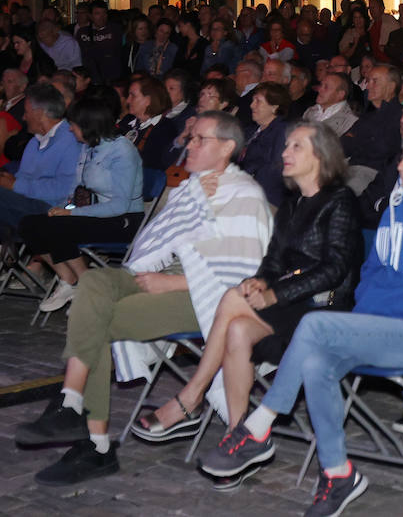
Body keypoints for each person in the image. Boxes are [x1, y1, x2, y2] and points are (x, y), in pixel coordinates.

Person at [197, 126, 403, 512]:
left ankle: (259, 424)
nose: (402, 164)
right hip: (376, 329)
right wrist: (362, 320)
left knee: (314, 325)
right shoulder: (396, 211)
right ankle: (339, 472)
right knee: (315, 359)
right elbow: (372, 275)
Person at [17, 111, 272, 485]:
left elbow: (244, 275)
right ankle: (71, 400)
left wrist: (173, 284)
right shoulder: (191, 187)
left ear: (228, 147)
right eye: (191, 137)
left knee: (94, 322)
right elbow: (156, 245)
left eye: (201, 139)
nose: (190, 144)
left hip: (204, 294)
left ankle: (96, 443)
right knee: (94, 285)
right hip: (159, 275)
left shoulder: (245, 193)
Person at [132, 123, 363, 454]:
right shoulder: (293, 204)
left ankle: (192, 395)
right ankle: (240, 435)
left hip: (323, 310)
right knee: (238, 329)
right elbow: (272, 262)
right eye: (286, 146)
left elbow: (334, 270)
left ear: (321, 155)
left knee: (230, 298)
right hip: (291, 307)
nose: (284, 153)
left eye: (296, 146)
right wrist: (260, 281)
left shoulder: (340, 201)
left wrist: (273, 294)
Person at [23, 95, 144, 314]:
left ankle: (87, 286)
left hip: (123, 219)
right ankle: (68, 280)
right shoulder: (88, 147)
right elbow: (77, 192)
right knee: (30, 224)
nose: (70, 130)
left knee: (58, 226)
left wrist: (70, 214)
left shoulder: (122, 151)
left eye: (73, 125)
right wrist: (65, 209)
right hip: (93, 214)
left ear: (88, 125)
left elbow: (119, 206)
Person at [0, 84, 81, 231]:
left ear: (39, 114)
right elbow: (23, 179)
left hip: (53, 208)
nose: (23, 118)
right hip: (29, 202)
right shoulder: (35, 141)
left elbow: (66, 190)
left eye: (26, 112)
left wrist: (15, 185)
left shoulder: (71, 140)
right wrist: (10, 181)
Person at [340, 63, 403, 192]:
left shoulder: (402, 116)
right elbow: (344, 144)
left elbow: (382, 149)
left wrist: (356, 139)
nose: (368, 86)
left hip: (373, 175)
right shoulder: (369, 116)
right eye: (368, 81)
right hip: (351, 168)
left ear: (391, 87)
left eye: (375, 81)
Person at [238, 82, 291, 208]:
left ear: (274, 107)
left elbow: (276, 169)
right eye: (252, 101)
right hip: (244, 190)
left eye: (258, 101)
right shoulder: (251, 130)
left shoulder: (282, 131)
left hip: (265, 199)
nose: (251, 106)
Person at [304, 71, 359, 137]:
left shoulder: (349, 121)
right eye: (321, 85)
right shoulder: (310, 111)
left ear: (340, 94)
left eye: (326, 87)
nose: (319, 89)